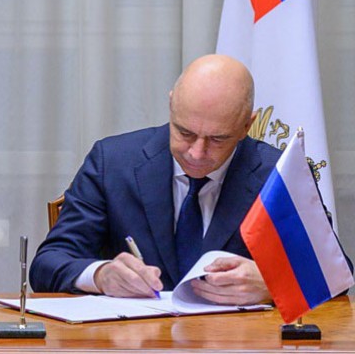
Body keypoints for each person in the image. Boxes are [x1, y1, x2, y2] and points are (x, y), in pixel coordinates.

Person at [30, 54, 280, 305]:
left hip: (233, 330)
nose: (196, 153)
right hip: (136, 329)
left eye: (217, 139)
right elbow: (48, 263)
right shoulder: (113, 163)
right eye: (185, 133)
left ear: (247, 126)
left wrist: (272, 285)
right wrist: (101, 275)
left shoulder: (278, 176)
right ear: (171, 105)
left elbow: (307, 270)